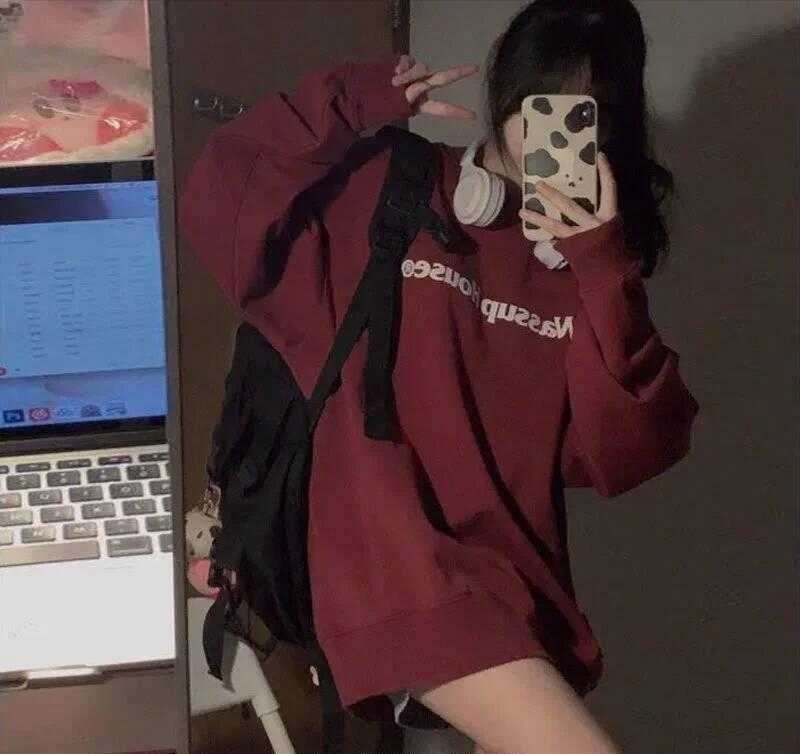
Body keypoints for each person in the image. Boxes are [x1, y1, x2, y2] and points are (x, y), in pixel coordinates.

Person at [180, 1, 699, 752]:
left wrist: (603, 268)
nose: (552, 129)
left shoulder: (585, 260)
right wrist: (347, 102)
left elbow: (625, 452)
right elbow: (220, 203)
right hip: (390, 568)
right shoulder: (393, 187)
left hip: (516, 589)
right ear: (505, 91)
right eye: (540, 99)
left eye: (584, 112)